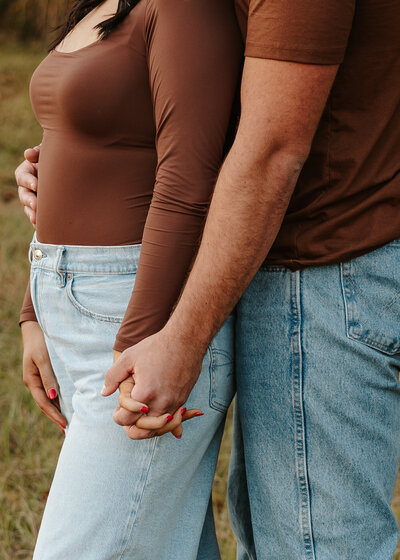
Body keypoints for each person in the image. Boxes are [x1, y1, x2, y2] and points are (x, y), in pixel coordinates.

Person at [17, 1, 400, 559]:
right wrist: (37, 303)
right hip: (128, 293)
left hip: (299, 269)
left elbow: (239, 158)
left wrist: (173, 338)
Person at [16, 0, 242, 558]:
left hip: (140, 313)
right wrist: (33, 311)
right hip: (75, 298)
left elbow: (189, 183)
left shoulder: (187, 7)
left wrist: (136, 344)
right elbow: (81, 143)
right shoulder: (106, 4)